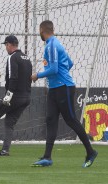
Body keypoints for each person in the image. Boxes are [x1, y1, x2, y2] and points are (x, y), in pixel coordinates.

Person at [31, 20, 97, 167]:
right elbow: (70, 63)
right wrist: (60, 73)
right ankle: (47, 157)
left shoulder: (52, 45)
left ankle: (91, 152)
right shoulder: (54, 44)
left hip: (64, 87)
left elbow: (54, 69)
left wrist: (37, 75)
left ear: (42, 30)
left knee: (71, 120)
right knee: (50, 119)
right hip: (55, 88)